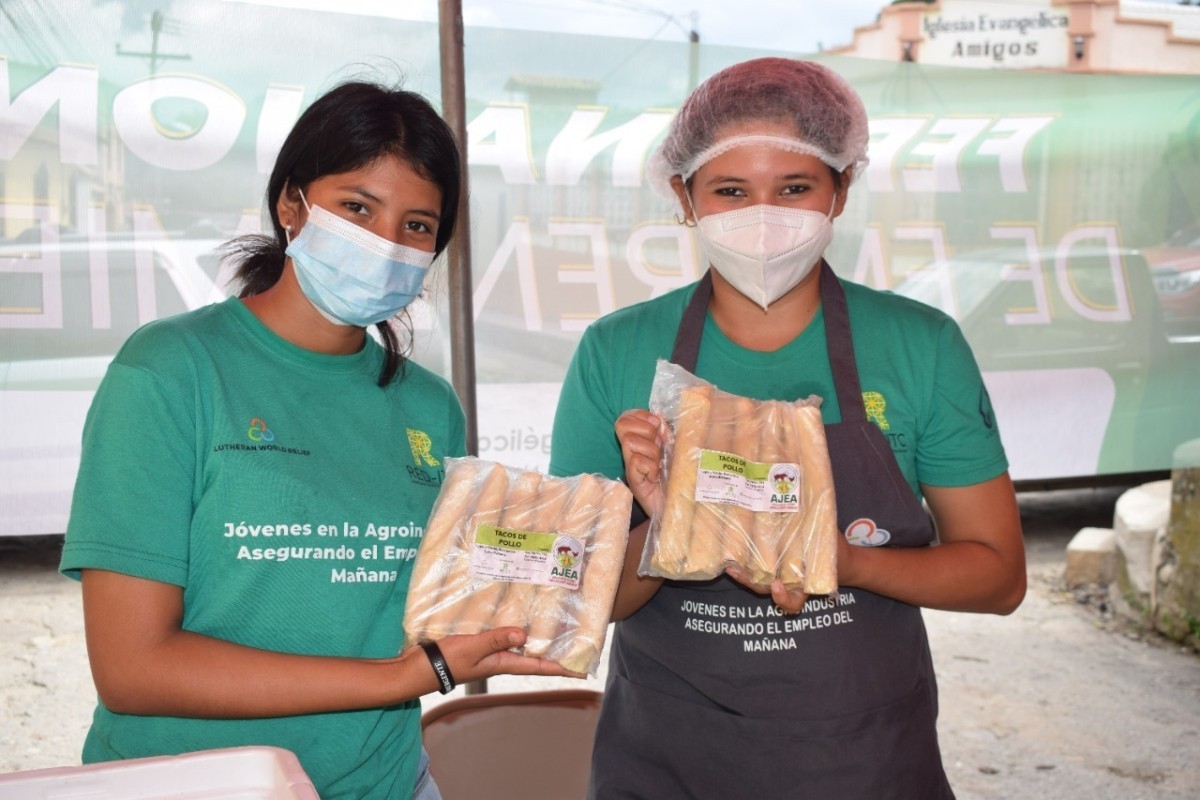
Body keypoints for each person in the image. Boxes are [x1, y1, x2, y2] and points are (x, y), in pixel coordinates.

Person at [59, 79, 575, 800]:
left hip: (383, 784)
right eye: (358, 207)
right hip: (187, 785)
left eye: (417, 225)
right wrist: (401, 678)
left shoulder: (429, 408)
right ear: (291, 205)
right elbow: (133, 667)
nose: (385, 243)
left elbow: (441, 604)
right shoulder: (173, 371)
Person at [549, 57, 1027, 798]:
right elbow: (573, 603)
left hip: (862, 760)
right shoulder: (615, 352)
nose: (764, 217)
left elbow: (998, 577)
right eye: (731, 190)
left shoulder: (918, 345)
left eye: (795, 188)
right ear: (684, 197)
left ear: (841, 190)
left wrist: (844, 561)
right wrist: (665, 522)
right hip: (669, 762)